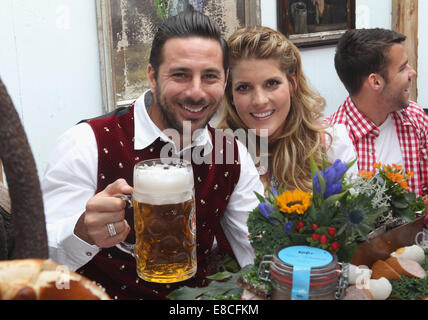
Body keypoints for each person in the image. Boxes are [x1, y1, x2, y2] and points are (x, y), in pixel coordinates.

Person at [41, 10, 264, 300]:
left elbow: (258, 248)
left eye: (209, 77)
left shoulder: (231, 152)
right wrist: (82, 231)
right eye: (180, 75)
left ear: (224, 83)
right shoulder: (87, 142)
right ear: (152, 77)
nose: (196, 92)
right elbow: (37, 255)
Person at [217, 26, 329, 192]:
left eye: (271, 83)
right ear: (231, 94)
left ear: (292, 83)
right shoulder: (217, 157)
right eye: (244, 87)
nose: (260, 101)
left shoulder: (331, 145)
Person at [327, 28, 428, 197]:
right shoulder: (330, 140)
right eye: (403, 68)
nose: (412, 73)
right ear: (375, 81)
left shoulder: (415, 118)